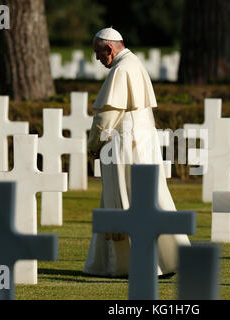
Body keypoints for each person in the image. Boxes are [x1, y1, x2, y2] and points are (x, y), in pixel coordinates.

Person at [83, 27, 190, 277]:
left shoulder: (121, 70)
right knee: (152, 199)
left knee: (125, 200)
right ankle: (168, 260)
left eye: (98, 53)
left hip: (125, 145)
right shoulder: (134, 63)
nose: (97, 59)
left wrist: (93, 145)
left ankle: (132, 264)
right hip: (142, 142)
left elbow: (107, 116)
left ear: (109, 49)